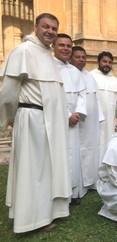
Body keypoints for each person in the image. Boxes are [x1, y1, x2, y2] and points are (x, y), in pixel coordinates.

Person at [0, 13, 70, 233]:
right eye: (46, 27)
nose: (50, 31)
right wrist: (9, 118)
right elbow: (8, 92)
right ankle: (29, 220)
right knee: (32, 170)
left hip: (48, 122)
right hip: (33, 121)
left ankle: (45, 214)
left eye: (54, 28)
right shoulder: (23, 51)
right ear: (36, 27)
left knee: (45, 170)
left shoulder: (46, 54)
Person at [53, 34, 87, 203]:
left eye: (68, 46)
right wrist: (66, 115)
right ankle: (59, 194)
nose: (65, 49)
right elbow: (51, 96)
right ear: (54, 46)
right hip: (55, 119)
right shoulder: (49, 67)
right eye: (61, 45)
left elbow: (82, 94)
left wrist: (77, 114)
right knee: (58, 156)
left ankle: (73, 193)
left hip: (73, 120)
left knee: (73, 155)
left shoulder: (74, 71)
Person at [70, 46, 104, 192]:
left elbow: (96, 97)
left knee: (92, 149)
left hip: (91, 122)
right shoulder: (69, 74)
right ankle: (79, 183)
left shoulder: (89, 76)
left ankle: (91, 180)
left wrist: (99, 117)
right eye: (78, 57)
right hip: (77, 121)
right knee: (78, 150)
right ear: (71, 58)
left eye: (83, 57)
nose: (81, 60)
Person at [91, 51, 117, 161]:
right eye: (104, 61)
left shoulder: (115, 80)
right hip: (96, 117)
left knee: (109, 141)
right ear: (99, 62)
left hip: (110, 118)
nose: (107, 64)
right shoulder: (91, 76)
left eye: (109, 62)